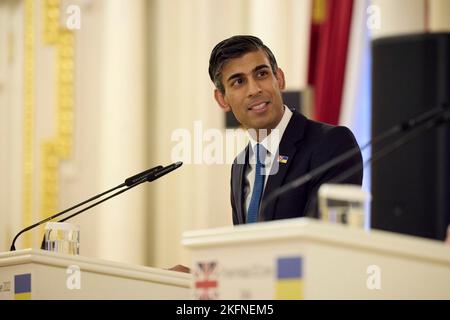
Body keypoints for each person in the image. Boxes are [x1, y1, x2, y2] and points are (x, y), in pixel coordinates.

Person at [209, 35, 363, 225]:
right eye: (238, 82)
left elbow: (330, 238)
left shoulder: (333, 143)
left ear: (279, 79)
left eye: (261, 74)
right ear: (222, 99)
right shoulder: (239, 165)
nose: (254, 89)